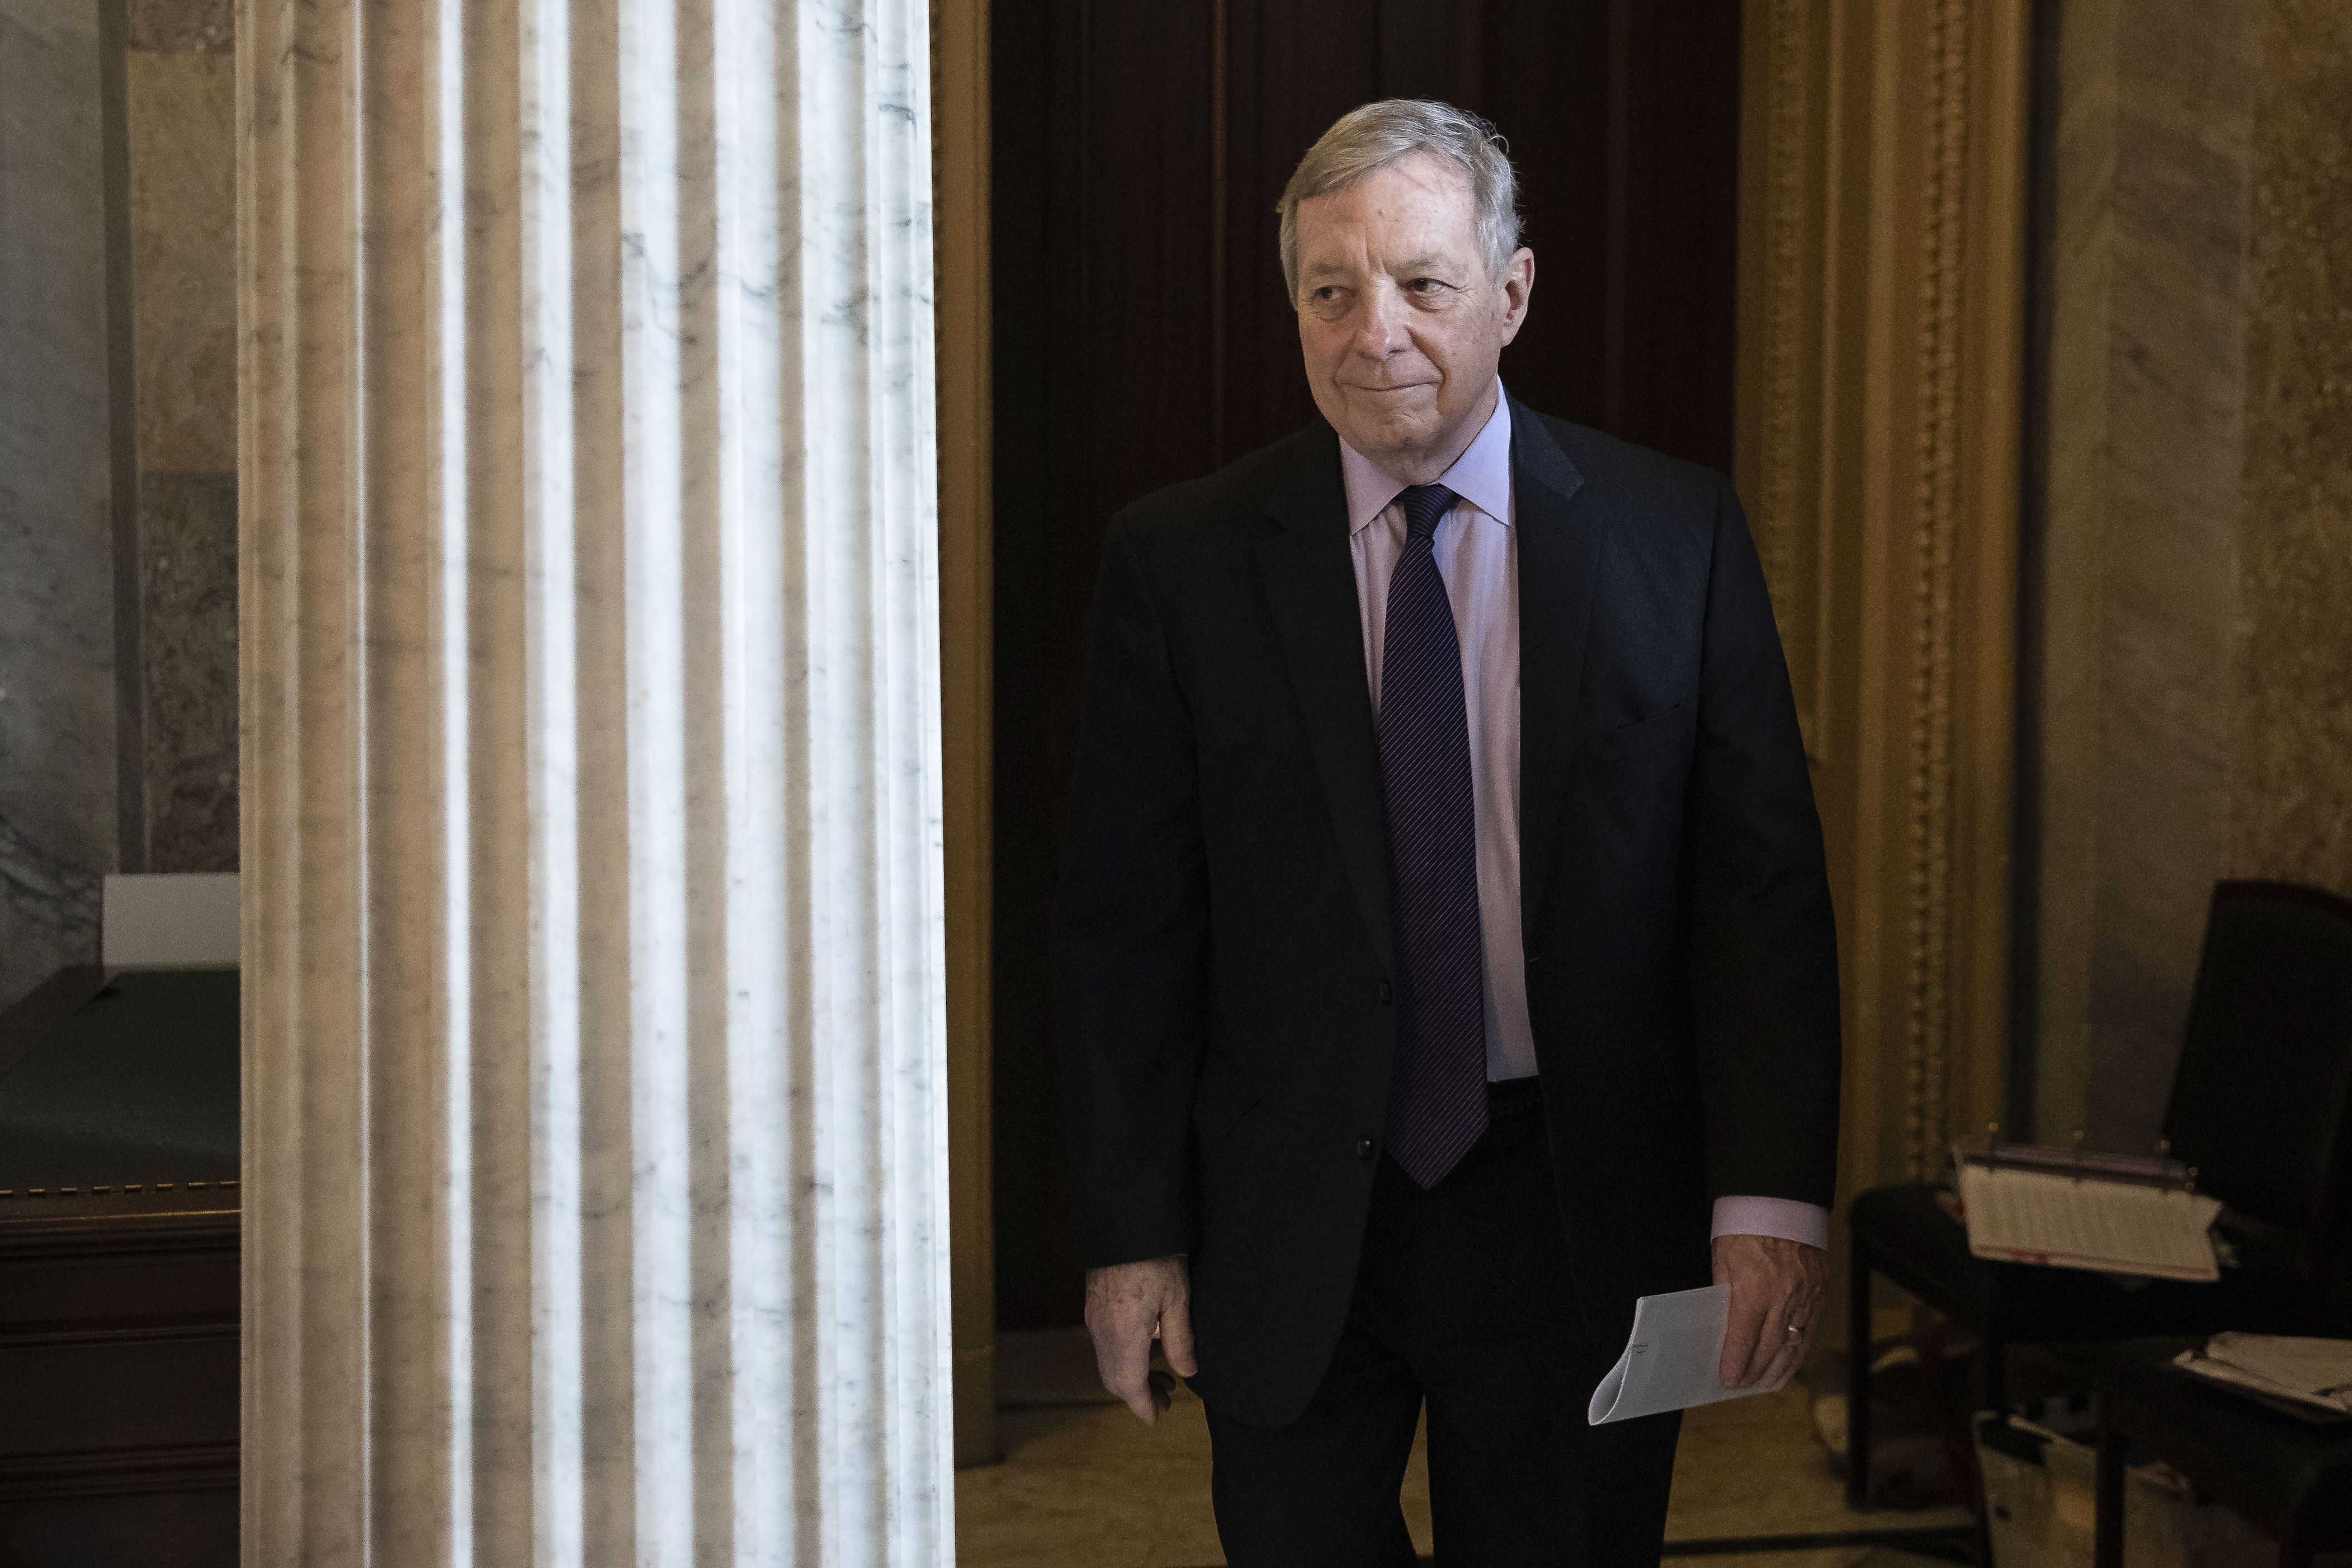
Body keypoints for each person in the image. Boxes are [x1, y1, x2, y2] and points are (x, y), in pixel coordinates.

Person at [1052, 98, 1840, 1566]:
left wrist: (1770, 1198)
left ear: (1513, 293)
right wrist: (1128, 1230)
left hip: (1574, 1195)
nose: (1377, 334)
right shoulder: (1180, 563)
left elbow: (1761, 898)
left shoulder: (1676, 537)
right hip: (1286, 1207)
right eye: (1331, 292)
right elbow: (1126, 929)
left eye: (1423, 283)